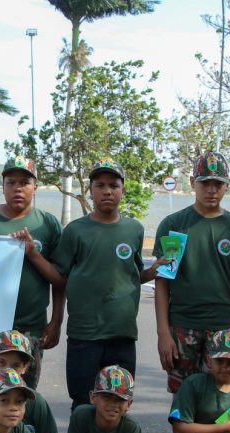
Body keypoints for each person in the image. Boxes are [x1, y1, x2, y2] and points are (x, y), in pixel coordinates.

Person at [50, 159, 163, 409]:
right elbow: (59, 277)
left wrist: (154, 271)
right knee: (83, 404)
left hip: (122, 334)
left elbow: (134, 274)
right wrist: (34, 256)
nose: (107, 190)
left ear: (123, 189)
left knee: (118, 404)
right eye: (100, 185)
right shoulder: (75, 231)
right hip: (84, 335)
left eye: (114, 185)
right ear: (90, 190)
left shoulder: (134, 229)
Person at [153, 151, 230, 395]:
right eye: (205, 183)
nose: (211, 190)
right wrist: (163, 333)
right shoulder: (175, 225)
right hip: (182, 327)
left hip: (224, 329)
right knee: (183, 399)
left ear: (227, 186)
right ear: (192, 183)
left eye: (218, 184)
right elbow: (163, 282)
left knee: (219, 397)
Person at [0, 156, 63, 389]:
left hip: (31, 328)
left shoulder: (47, 224)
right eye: (11, 182)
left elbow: (60, 280)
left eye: (25, 182)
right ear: (3, 187)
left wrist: (57, 321)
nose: (18, 188)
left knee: (24, 396)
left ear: (35, 187)